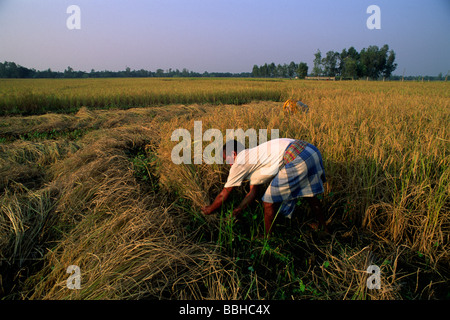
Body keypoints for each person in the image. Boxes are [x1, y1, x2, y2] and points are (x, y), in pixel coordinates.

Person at [201, 138, 328, 235]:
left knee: (268, 201)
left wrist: (209, 210)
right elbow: (252, 192)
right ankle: (323, 227)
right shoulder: (252, 156)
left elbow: (224, 193)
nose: (228, 164)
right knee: (309, 194)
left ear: (234, 154)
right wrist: (238, 210)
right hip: (310, 150)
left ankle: (268, 238)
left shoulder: (239, 162)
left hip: (295, 156)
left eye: (227, 159)